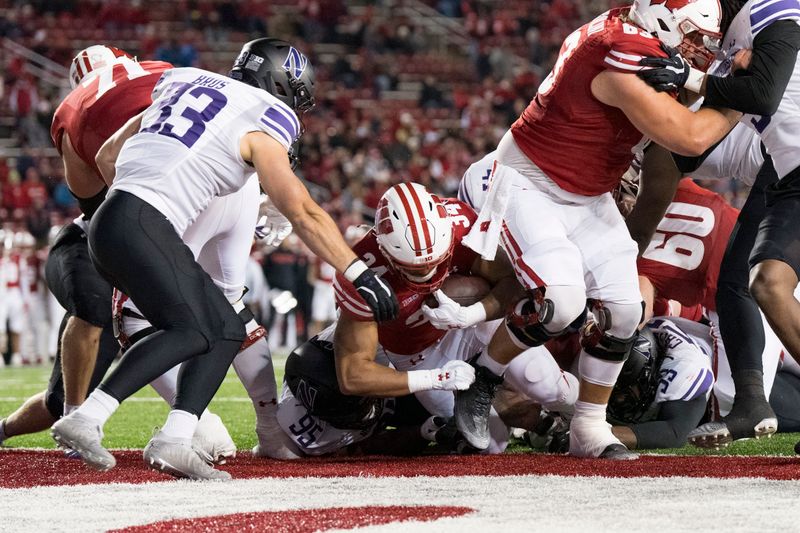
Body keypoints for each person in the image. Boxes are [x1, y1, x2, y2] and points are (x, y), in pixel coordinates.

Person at [51, 38, 398, 478]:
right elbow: (304, 211)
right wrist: (356, 270)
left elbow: (106, 154)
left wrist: (152, 182)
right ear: (281, 83)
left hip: (114, 219)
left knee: (227, 328)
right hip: (144, 224)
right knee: (191, 329)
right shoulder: (267, 115)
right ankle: (86, 417)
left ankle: (176, 438)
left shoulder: (180, 79)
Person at [451, 0, 740, 459]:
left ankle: (589, 426)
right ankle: (482, 378)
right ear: (661, 23)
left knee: (624, 309)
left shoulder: (632, 26)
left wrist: (695, 78)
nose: (699, 48)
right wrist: (740, 98)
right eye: (692, 37)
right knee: (562, 303)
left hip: (587, 192)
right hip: (531, 183)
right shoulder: (619, 51)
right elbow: (690, 137)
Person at [637, 0, 800, 445]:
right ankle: (751, 400)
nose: (697, 41)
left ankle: (753, 399)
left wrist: (691, 77)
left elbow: (764, 94)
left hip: (787, 163)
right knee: (751, 280)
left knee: (762, 282)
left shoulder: (774, 10)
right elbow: (685, 148)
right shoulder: (736, 35)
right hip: (785, 169)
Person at [0, 45, 173, 445]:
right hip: (86, 244)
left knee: (57, 400)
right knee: (96, 309)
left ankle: (17, 426)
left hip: (131, 257)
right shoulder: (153, 85)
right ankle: (79, 418)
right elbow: (92, 203)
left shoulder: (87, 110)